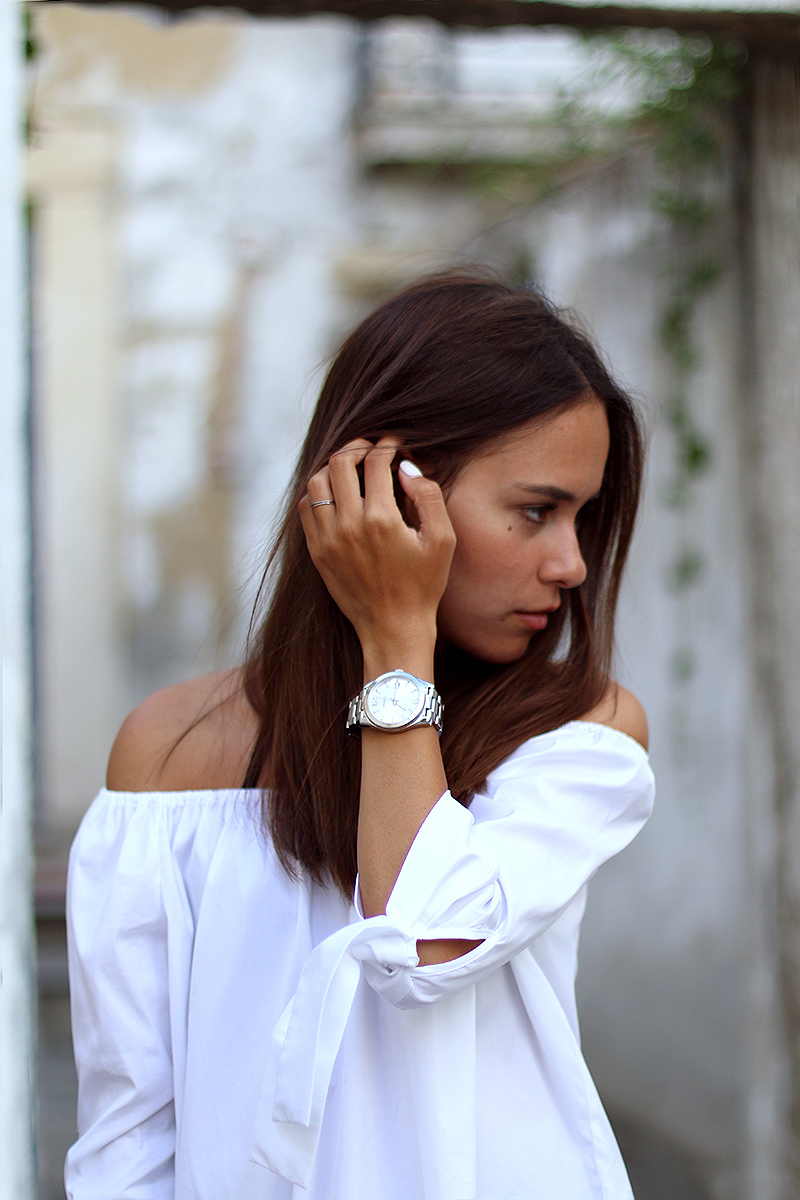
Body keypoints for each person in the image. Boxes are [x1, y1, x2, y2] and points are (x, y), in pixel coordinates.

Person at [65, 272, 654, 1200]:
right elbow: (129, 1137)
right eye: (537, 511)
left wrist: (393, 650)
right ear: (384, 494)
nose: (572, 564)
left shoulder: (579, 733)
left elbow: (425, 949)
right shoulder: (168, 755)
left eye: (582, 517)